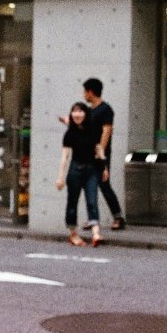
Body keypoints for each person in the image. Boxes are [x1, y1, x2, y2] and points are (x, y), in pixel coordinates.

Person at [56, 101, 104, 246]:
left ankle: (96, 233)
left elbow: (99, 150)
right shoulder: (69, 134)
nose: (77, 114)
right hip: (75, 170)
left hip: (91, 170)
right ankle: (73, 234)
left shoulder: (93, 130)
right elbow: (65, 157)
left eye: (80, 111)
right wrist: (60, 177)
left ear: (85, 113)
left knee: (92, 201)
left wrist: (104, 167)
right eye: (74, 111)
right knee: (72, 202)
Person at [83, 77, 125, 231]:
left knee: (104, 185)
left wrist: (100, 153)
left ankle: (118, 217)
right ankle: (93, 219)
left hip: (100, 154)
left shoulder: (105, 109)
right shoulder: (88, 111)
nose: (84, 95)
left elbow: (107, 131)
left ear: (91, 92)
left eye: (85, 92)